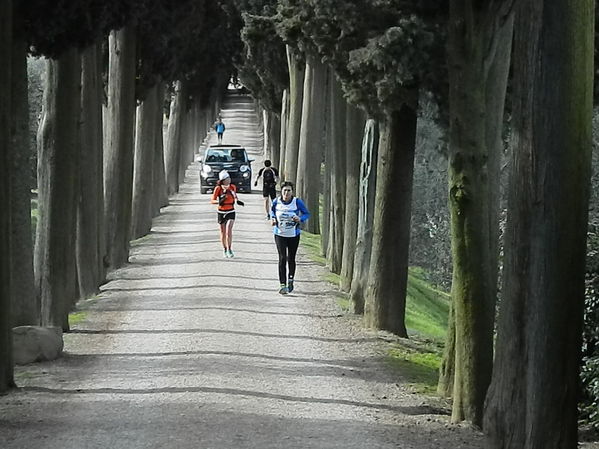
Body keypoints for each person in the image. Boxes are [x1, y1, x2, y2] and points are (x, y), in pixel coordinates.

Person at [270, 181, 310, 294]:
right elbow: (272, 211)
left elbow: (307, 213)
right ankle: (282, 284)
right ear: (281, 191)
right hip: (279, 234)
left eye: (289, 191)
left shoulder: (297, 202)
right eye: (284, 190)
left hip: (293, 235)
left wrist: (300, 219)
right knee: (282, 258)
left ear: (292, 192)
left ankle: (291, 279)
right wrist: (273, 219)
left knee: (291, 258)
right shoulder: (276, 201)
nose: (286, 193)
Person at [211, 170, 244, 258]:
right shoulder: (218, 188)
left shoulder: (232, 187)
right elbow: (212, 200)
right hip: (221, 211)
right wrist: (219, 201)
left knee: (229, 230)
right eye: (227, 178)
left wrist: (238, 201)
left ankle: (229, 248)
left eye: (229, 178)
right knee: (223, 231)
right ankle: (224, 248)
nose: (229, 180)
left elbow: (235, 196)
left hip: (231, 210)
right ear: (223, 180)